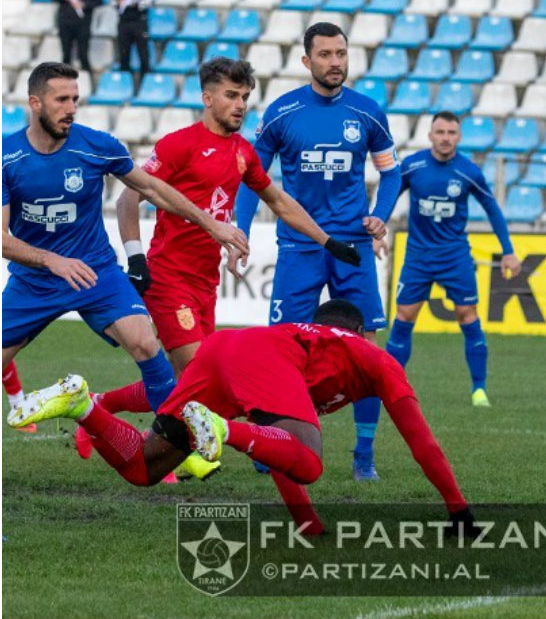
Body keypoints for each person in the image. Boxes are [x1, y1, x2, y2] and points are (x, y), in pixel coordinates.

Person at [10, 300, 476, 536]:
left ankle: (82, 404)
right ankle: (221, 427)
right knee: (311, 463)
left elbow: (276, 445)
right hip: (259, 358)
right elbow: (423, 442)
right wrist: (458, 509)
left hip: (227, 346)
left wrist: (307, 524)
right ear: (362, 332)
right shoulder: (375, 359)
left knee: (142, 468)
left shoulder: (302, 344)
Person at [95, 58, 362, 471]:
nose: (240, 105)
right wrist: (135, 255)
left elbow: (277, 200)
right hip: (169, 279)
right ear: (207, 98)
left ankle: (101, 408)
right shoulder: (179, 144)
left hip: (205, 283)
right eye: (231, 96)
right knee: (206, 379)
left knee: (190, 381)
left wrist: (327, 240)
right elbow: (129, 196)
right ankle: (168, 460)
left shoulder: (242, 152)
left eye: (245, 97)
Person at [2, 62, 249, 427]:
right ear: (35, 103)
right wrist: (52, 260)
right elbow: (1, 239)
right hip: (34, 279)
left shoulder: (97, 146)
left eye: (75, 99)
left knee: (146, 344)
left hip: (97, 271)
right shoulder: (8, 158)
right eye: (61, 100)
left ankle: (173, 445)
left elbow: (150, 188)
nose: (70, 108)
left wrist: (211, 224)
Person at [233, 22, 398, 482]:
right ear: (307, 61)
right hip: (299, 245)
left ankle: (363, 455)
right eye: (325, 54)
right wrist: (240, 229)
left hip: (353, 247)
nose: (335, 62)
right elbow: (251, 175)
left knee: (366, 351)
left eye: (341, 53)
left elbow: (392, 174)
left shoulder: (368, 113)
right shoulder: (283, 113)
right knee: (281, 349)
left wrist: (380, 214)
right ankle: (272, 445)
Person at [371, 111, 521, 407]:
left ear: (459, 137)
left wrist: (508, 250)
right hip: (418, 256)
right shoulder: (413, 166)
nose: (445, 138)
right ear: (430, 135)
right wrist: (378, 229)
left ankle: (479, 389)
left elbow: (492, 208)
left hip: (455, 257)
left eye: (451, 133)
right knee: (404, 317)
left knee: (468, 316)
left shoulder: (468, 172)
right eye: (440, 132)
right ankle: (392, 386)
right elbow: (390, 194)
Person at [113, 0, 154, 84]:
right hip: (123, 22)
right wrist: (118, 3)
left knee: (144, 56)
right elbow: (112, 0)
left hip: (139, 21)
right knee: (124, 56)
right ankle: (125, 86)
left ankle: (145, 86)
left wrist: (138, 2)